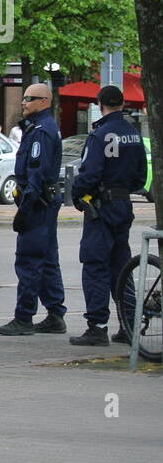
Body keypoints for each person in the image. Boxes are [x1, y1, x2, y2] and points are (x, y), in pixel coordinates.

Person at [69, 85, 148, 346]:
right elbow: (140, 176)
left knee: (95, 265)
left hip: (101, 207)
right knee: (121, 266)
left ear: (99, 103)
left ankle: (97, 327)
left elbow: (89, 173)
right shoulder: (133, 133)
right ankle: (129, 325)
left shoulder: (99, 134)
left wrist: (78, 193)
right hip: (124, 204)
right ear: (123, 103)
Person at [0, 83, 66, 336]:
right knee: (47, 260)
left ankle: (24, 317)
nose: (24, 102)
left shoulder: (41, 131)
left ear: (44, 101)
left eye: (29, 98)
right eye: (23, 97)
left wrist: (25, 208)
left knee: (29, 260)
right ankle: (55, 314)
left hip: (37, 204)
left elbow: (36, 172)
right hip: (43, 203)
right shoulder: (37, 128)